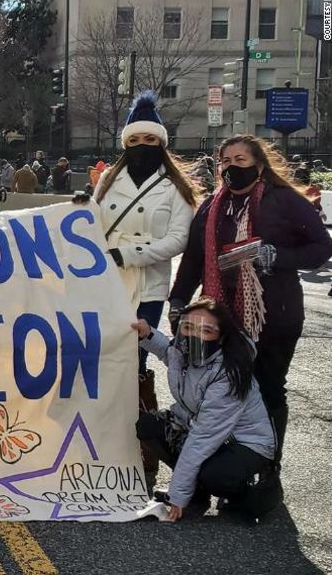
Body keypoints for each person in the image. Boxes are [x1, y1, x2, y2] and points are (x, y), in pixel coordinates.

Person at [170, 134, 332, 495]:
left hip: (275, 315)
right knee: (220, 389)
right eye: (225, 161)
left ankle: (267, 467)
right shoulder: (211, 206)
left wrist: (279, 256)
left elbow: (321, 246)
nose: (232, 168)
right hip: (220, 318)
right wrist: (178, 300)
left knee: (269, 387)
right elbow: (194, 260)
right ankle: (225, 467)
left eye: (240, 160)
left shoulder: (283, 200)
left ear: (260, 164)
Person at [89, 91, 199, 490]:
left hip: (148, 288)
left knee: (134, 363)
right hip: (107, 285)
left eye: (149, 140)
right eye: (134, 141)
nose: (141, 147)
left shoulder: (174, 187)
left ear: (162, 143)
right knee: (101, 360)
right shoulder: (108, 179)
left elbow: (178, 239)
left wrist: (130, 254)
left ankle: (142, 445)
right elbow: (93, 225)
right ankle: (96, 439)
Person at [133, 298, 278, 521]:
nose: (194, 336)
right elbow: (167, 351)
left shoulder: (229, 373)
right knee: (150, 426)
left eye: (206, 330)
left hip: (245, 443)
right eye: (188, 327)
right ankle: (197, 493)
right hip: (204, 432)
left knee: (215, 475)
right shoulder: (181, 351)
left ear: (221, 336)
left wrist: (177, 496)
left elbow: (202, 439)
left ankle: (252, 495)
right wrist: (147, 334)